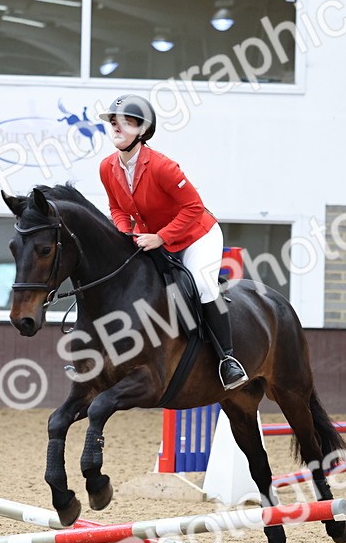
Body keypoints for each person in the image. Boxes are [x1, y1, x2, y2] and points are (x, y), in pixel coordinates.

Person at [97, 94, 247, 391]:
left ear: (141, 130)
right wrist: (125, 234)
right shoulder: (106, 167)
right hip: (151, 238)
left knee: (203, 285)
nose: (116, 126)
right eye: (113, 122)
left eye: (124, 122)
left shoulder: (162, 167)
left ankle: (227, 361)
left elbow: (193, 207)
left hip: (196, 235)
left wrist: (162, 237)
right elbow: (116, 208)